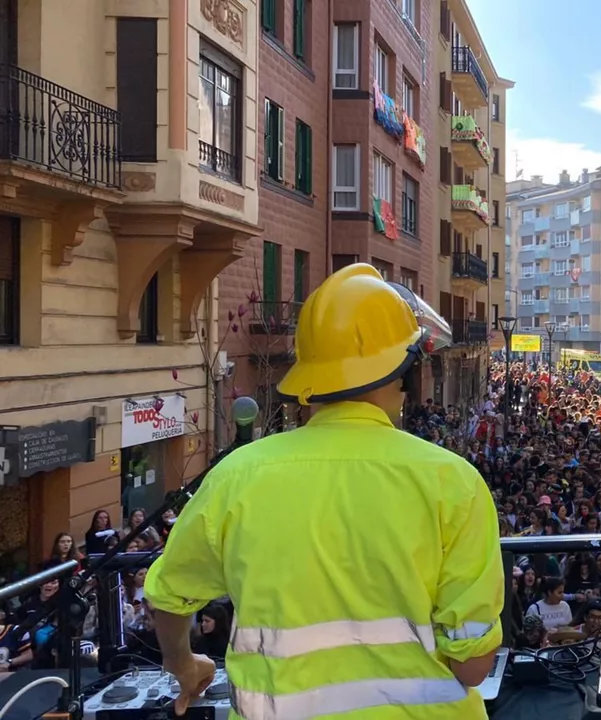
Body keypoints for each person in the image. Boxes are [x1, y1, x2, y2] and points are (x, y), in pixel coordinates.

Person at [144, 264, 505, 719]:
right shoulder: (453, 482)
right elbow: (473, 667)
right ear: (402, 371)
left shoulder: (237, 474)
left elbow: (170, 594)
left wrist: (183, 662)